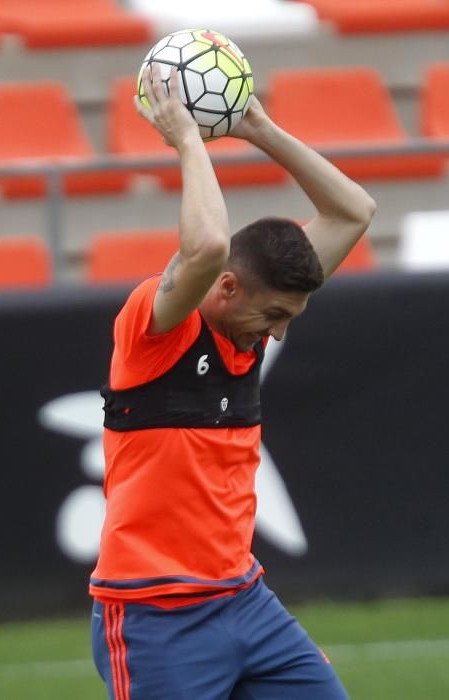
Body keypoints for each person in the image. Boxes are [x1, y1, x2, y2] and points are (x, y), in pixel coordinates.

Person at [90, 64, 376, 700]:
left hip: (246, 601)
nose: (277, 335)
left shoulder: (250, 328)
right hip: (154, 617)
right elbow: (209, 245)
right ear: (226, 288)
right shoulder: (155, 330)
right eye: (272, 315)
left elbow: (355, 210)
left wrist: (259, 127)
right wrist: (189, 139)